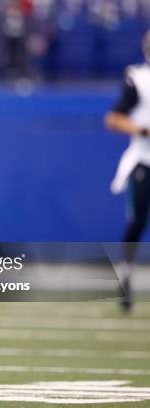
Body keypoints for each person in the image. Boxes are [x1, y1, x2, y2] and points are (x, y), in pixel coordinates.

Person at [104, 30, 150, 313]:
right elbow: (113, 118)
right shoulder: (138, 78)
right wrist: (142, 130)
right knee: (137, 221)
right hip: (144, 158)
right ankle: (126, 277)